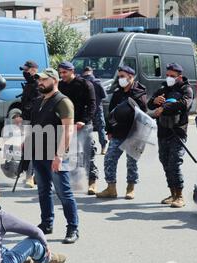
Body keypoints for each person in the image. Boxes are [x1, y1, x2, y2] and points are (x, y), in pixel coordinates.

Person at [29, 68, 79, 244]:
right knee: (43, 191)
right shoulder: (39, 100)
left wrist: (59, 156)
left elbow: (68, 130)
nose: (40, 82)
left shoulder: (63, 102)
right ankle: (46, 224)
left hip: (56, 155)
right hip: (38, 153)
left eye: (44, 79)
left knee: (63, 193)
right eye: (39, 80)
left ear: (54, 81)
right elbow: (36, 125)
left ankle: (73, 228)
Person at [96, 65, 147, 200]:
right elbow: (111, 113)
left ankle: (130, 188)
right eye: (119, 77)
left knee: (132, 162)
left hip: (134, 134)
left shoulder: (139, 94)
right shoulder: (118, 93)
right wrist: (109, 130)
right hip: (118, 133)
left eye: (123, 76)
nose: (120, 79)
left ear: (131, 77)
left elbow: (144, 115)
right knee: (109, 158)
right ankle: (111, 188)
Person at [148, 63, 193, 208]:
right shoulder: (163, 89)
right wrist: (154, 102)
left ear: (179, 77)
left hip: (178, 132)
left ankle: (180, 196)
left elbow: (184, 104)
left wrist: (164, 107)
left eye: (172, 76)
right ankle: (172, 193)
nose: (169, 78)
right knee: (165, 162)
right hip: (163, 131)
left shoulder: (186, 89)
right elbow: (150, 104)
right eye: (167, 75)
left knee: (175, 163)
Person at [58, 61, 98, 196]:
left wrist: (84, 121)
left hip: (83, 125)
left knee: (88, 154)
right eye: (60, 72)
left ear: (72, 71)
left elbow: (93, 105)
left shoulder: (85, 84)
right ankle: (75, 182)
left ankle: (92, 182)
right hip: (67, 124)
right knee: (70, 154)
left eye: (65, 72)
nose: (62, 75)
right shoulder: (60, 85)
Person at [12, 60, 41, 188]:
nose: (25, 72)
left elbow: (36, 103)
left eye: (27, 70)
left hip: (35, 121)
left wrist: (24, 115)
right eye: (24, 70)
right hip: (27, 120)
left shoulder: (38, 83)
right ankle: (33, 176)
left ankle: (30, 177)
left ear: (34, 70)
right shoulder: (30, 83)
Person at [82, 66, 108, 155]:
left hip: (86, 109)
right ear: (91, 72)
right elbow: (104, 96)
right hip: (97, 108)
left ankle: (90, 147)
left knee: (87, 129)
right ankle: (103, 147)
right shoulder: (97, 82)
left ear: (83, 72)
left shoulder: (80, 82)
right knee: (101, 127)